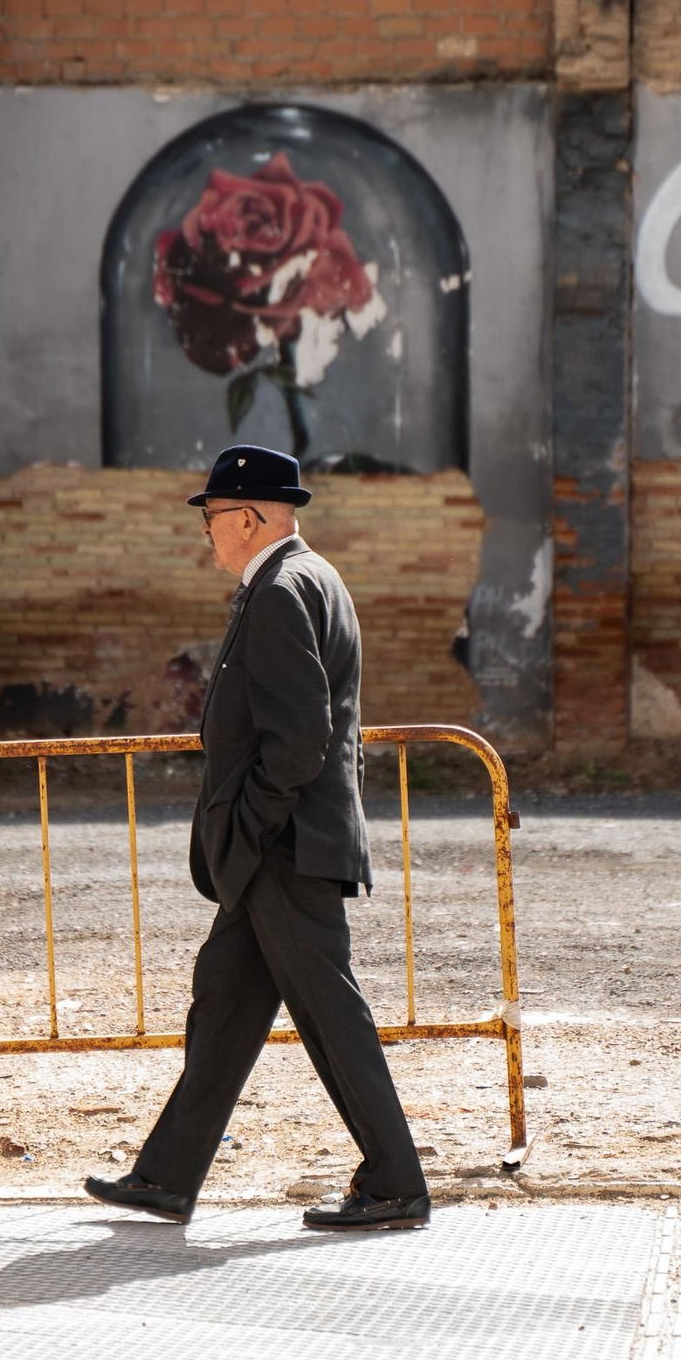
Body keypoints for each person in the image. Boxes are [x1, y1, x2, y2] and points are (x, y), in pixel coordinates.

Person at [84, 444, 430, 1231]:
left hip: (284, 846)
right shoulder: (310, 577)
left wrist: (252, 823)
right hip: (284, 842)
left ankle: (395, 1182)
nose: (207, 531)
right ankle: (165, 1176)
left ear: (249, 517)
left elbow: (301, 735)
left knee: (329, 1014)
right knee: (227, 1002)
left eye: (212, 516)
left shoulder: (280, 589)